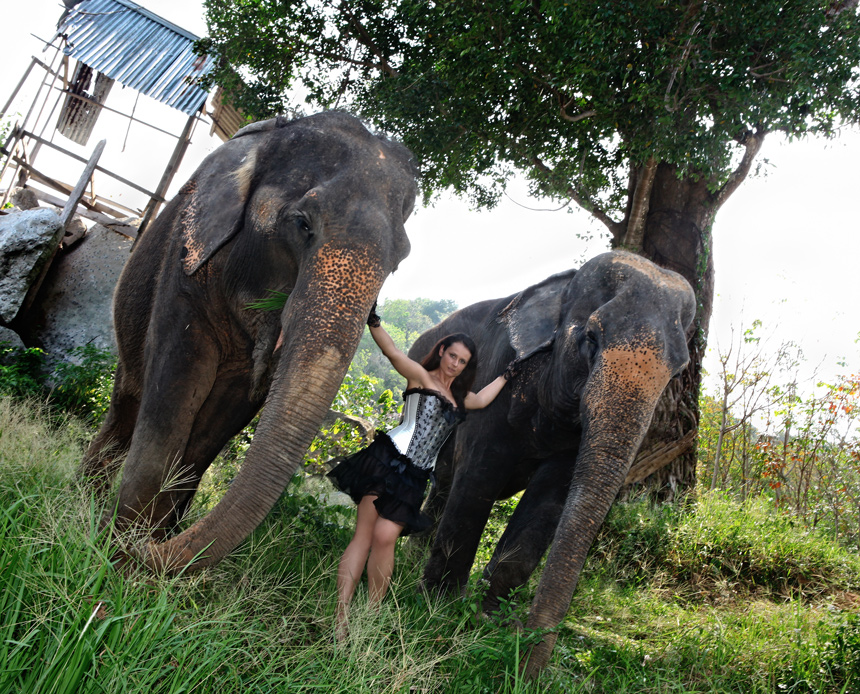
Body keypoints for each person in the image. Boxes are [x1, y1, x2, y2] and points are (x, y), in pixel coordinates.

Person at [328, 304, 517, 639]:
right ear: (442, 351)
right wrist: (374, 321)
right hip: (388, 460)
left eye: (463, 362)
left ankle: (369, 618)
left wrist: (507, 374)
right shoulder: (420, 377)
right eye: (453, 356)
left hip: (415, 477)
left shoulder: (461, 399)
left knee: (386, 538)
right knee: (365, 535)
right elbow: (391, 351)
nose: (456, 364)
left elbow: (484, 399)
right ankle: (341, 619)